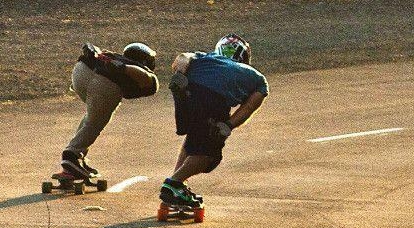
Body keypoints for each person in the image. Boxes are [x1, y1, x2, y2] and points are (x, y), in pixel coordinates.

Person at [163, 34, 268, 208]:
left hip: (188, 95)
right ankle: (173, 183)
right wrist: (229, 124)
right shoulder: (249, 73)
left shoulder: (204, 57)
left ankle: (177, 186)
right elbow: (252, 103)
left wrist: (180, 72)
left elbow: (182, 58)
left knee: (194, 137)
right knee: (208, 155)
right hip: (213, 99)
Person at [55, 41, 158, 183]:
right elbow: (145, 76)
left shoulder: (111, 56)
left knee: (92, 118)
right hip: (104, 83)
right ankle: (71, 156)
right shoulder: (138, 68)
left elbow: (95, 55)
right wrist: (122, 68)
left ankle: (76, 160)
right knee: (96, 122)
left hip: (80, 72)